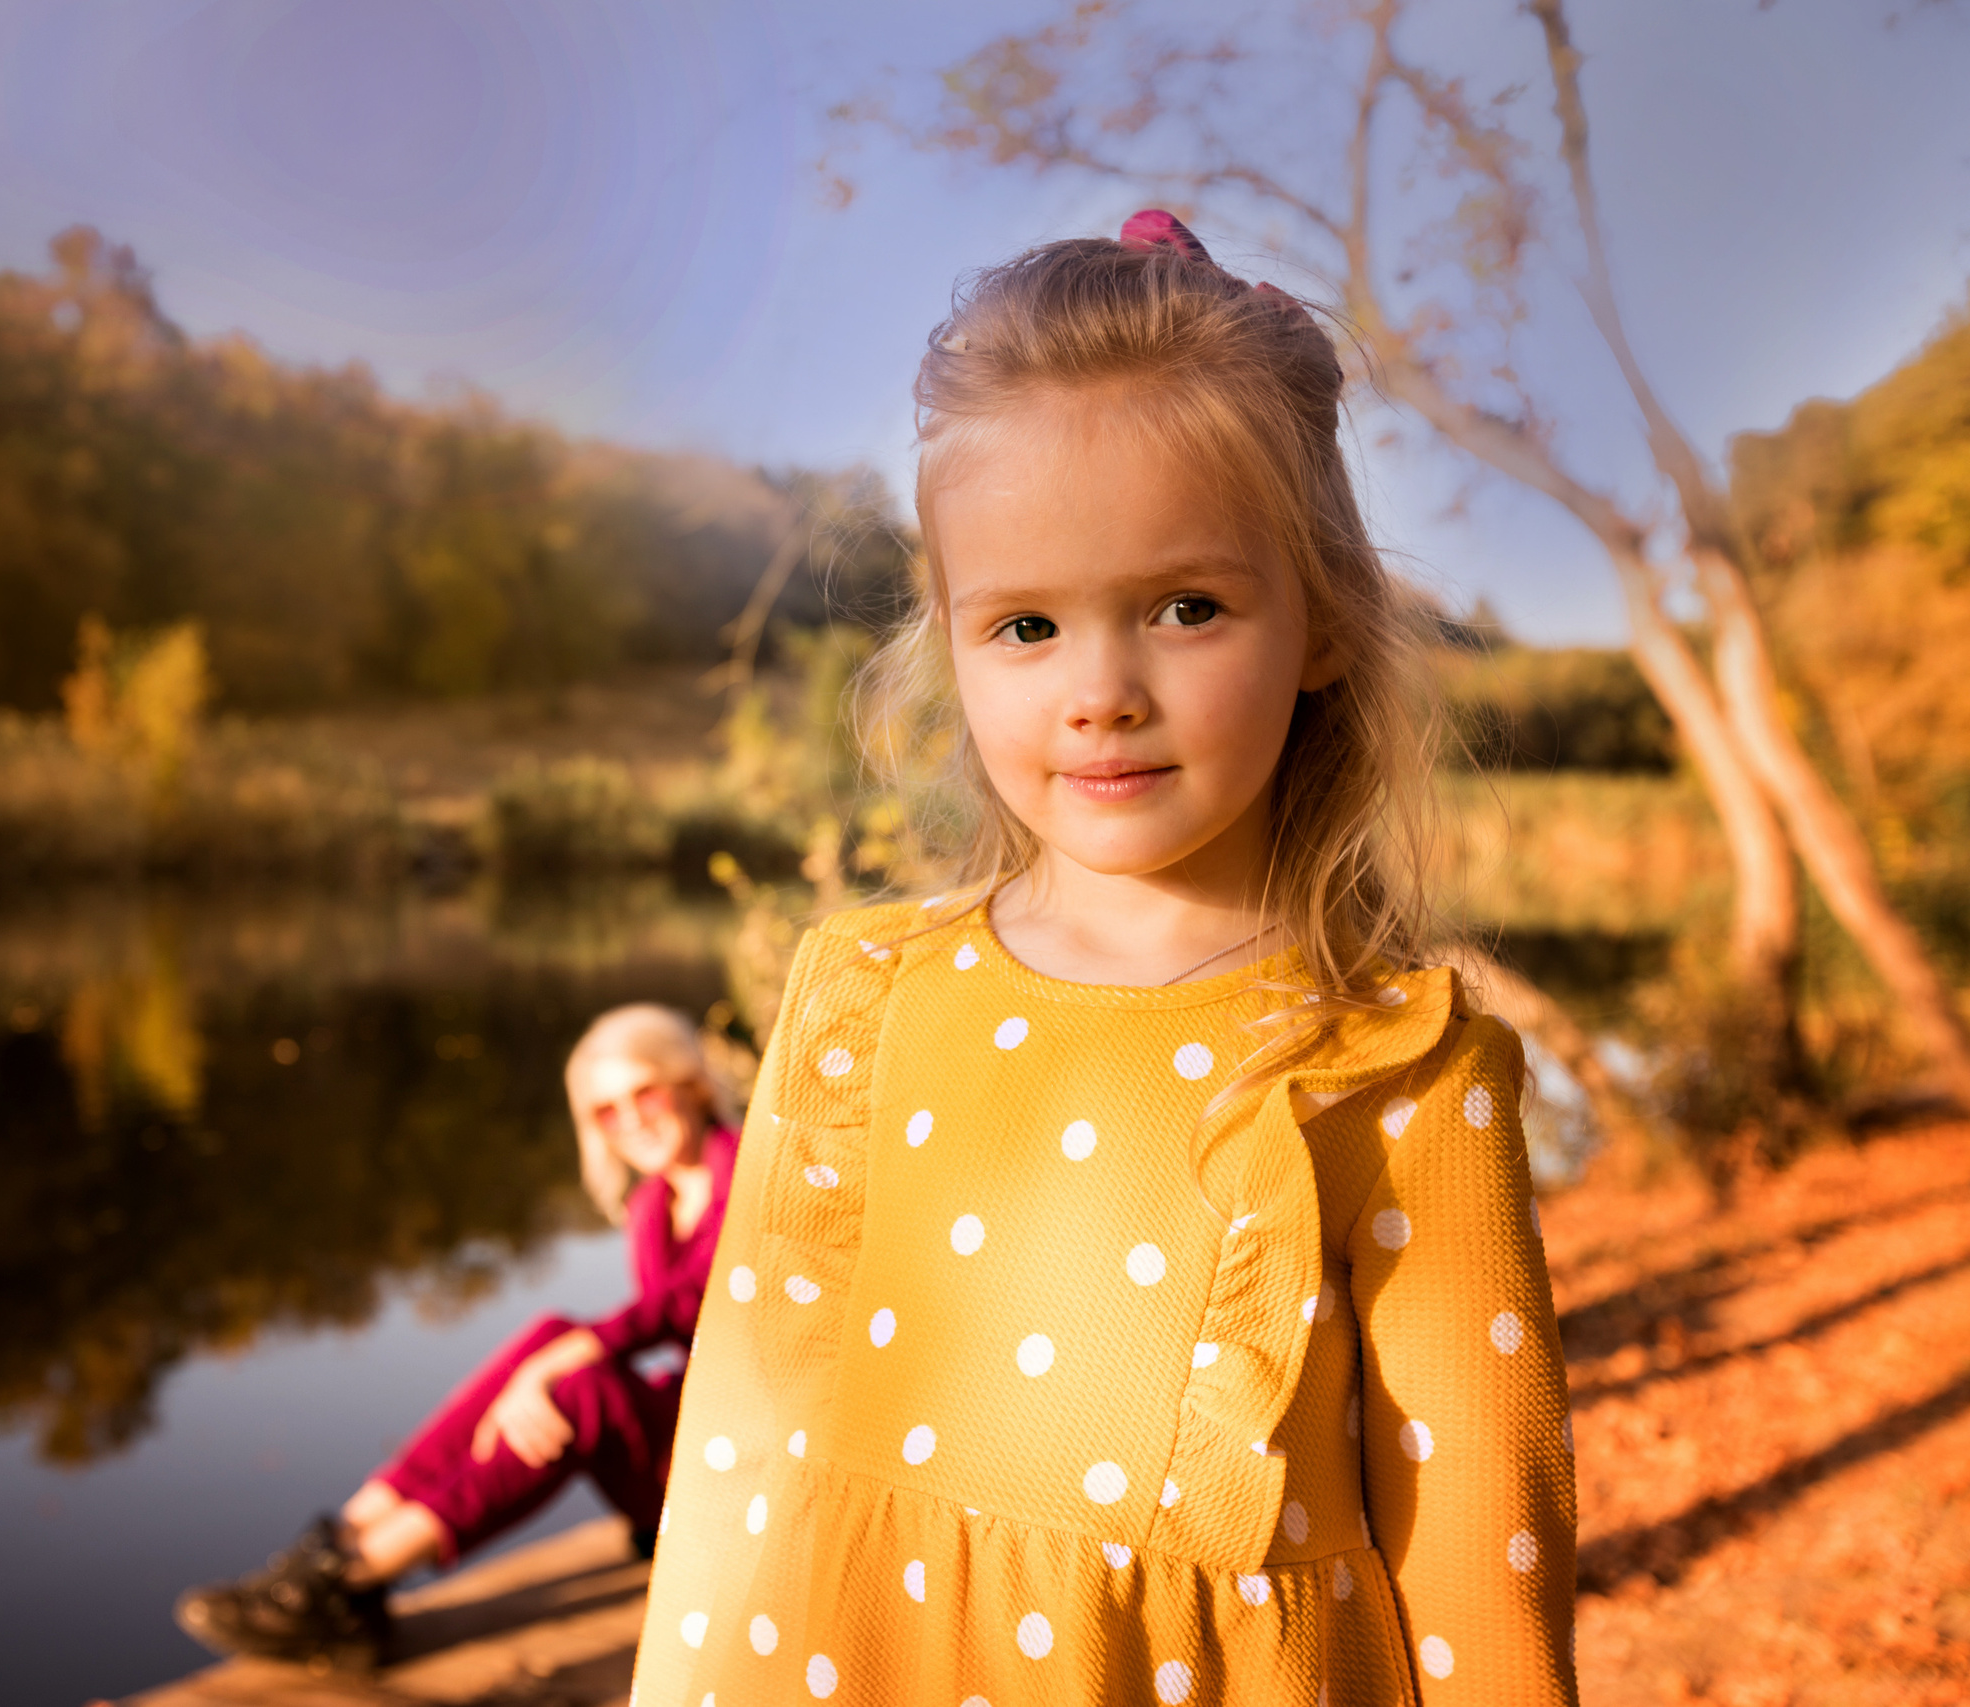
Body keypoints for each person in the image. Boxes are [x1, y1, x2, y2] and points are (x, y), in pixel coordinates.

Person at [634, 215, 1577, 1706]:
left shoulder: (1401, 1061)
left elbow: (1479, 1556)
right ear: (950, 643)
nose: (1100, 693)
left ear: (1324, 619)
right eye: (1026, 624)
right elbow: (742, 1439)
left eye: (1185, 607)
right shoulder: (861, 999)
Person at [175, 1002, 739, 1668]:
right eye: (607, 1110)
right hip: (695, 1436)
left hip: (741, 1469)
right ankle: (342, 1544)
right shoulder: (654, 1205)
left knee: (574, 1388)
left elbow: (695, 1301)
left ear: (692, 1082)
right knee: (553, 1335)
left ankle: (355, 1581)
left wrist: (557, 1366)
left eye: (644, 1092)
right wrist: (555, 1355)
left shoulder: (751, 1175)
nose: (632, 1119)